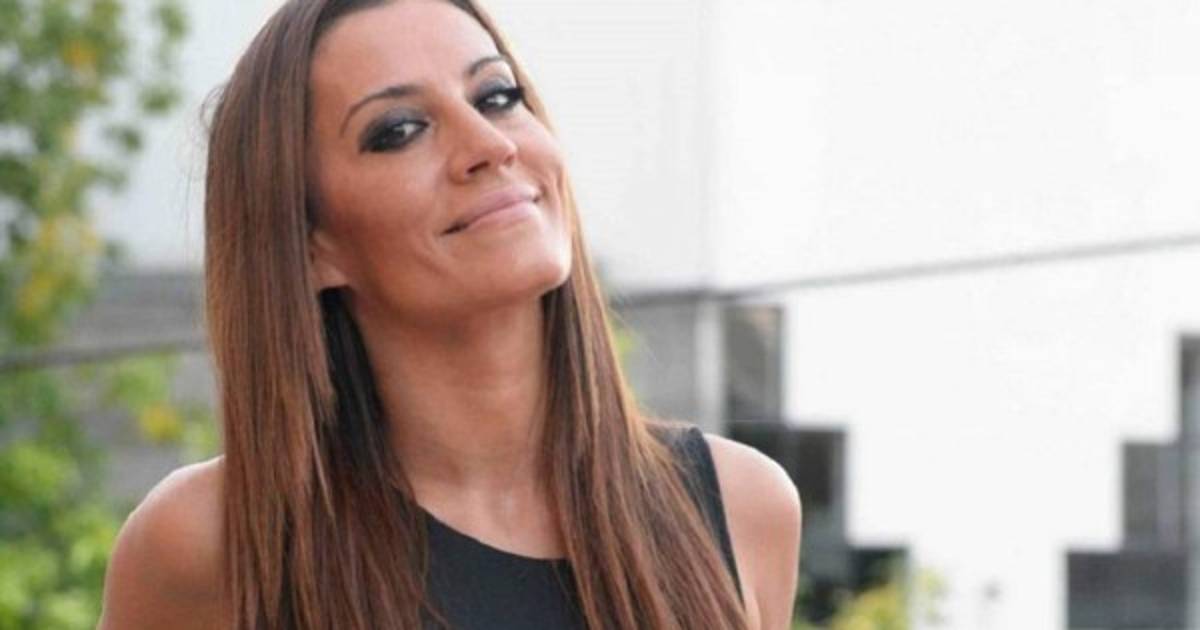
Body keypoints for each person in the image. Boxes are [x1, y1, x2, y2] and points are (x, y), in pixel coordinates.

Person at [98, 0, 802, 628]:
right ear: (312, 244)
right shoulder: (210, 544)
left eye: (497, 96)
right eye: (400, 130)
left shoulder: (744, 508)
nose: (490, 146)